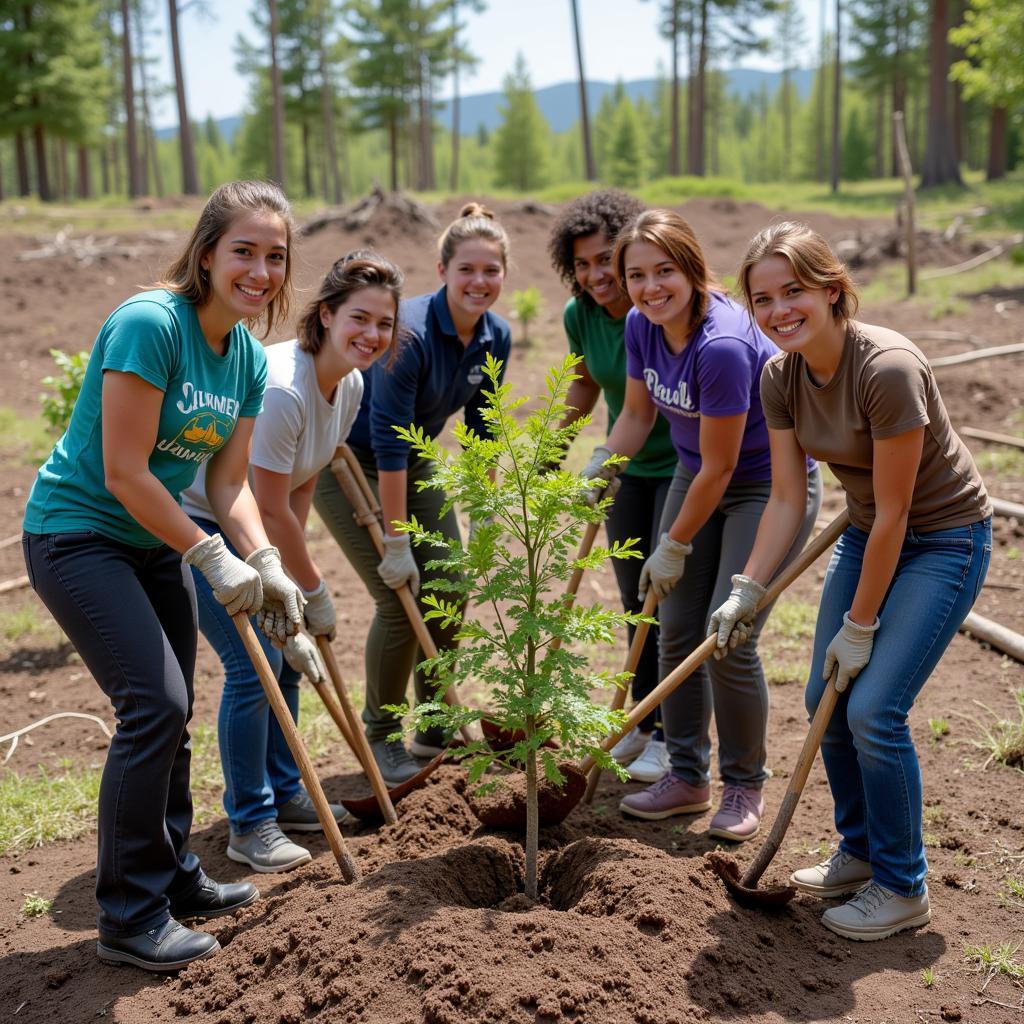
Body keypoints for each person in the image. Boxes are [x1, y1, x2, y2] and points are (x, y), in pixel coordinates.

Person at [22, 181, 307, 971]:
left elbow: (227, 486)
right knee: (155, 705)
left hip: (151, 543)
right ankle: (129, 915)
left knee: (170, 715)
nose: (259, 270)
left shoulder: (246, 355)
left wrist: (265, 560)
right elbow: (123, 472)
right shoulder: (153, 325)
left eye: (275, 257)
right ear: (207, 252)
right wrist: (210, 556)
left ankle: (176, 876)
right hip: (77, 535)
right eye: (243, 251)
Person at [710, 222, 991, 940]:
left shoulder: (886, 369)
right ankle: (861, 852)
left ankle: (904, 886)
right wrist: (748, 585)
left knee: (872, 711)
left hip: (943, 539)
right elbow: (785, 499)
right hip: (869, 533)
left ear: (834, 291)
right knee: (822, 697)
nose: (779, 311)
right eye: (763, 299)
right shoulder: (781, 377)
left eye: (794, 291)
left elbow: (899, 512)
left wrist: (859, 627)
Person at [582, 209, 822, 840]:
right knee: (674, 626)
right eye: (636, 275)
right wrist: (604, 464)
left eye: (664, 271)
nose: (650, 287)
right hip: (699, 474)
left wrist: (673, 542)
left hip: (766, 486)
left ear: (691, 269)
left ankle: (744, 784)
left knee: (727, 635)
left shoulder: (722, 345)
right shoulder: (642, 325)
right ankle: (687, 775)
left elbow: (722, 468)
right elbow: (637, 415)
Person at [180, 252, 403, 872]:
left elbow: (301, 485)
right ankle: (250, 824)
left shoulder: (351, 383)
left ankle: (284, 789)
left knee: (289, 654)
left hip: (253, 526)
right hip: (198, 520)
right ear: (326, 314)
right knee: (254, 667)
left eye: (383, 324)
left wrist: (292, 583)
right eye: (359, 318)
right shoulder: (283, 387)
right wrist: (309, 585)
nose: (371, 334)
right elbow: (268, 507)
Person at [312, 203, 513, 785]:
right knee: (399, 598)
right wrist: (398, 542)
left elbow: (482, 433)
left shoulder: (495, 335)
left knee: (450, 582)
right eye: (468, 269)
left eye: (492, 271)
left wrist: (486, 513)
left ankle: (434, 725)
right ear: (443, 269)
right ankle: (381, 735)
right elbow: (386, 439)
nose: (480, 282)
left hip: (413, 459)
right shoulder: (410, 334)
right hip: (348, 462)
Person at [546, 190, 678, 782]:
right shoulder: (581, 316)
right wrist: (550, 457)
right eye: (582, 264)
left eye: (606, 259)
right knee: (634, 603)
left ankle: (676, 737)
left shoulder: (657, 309)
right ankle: (645, 723)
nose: (595, 275)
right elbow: (584, 388)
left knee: (668, 599)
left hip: (683, 465)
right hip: (627, 468)